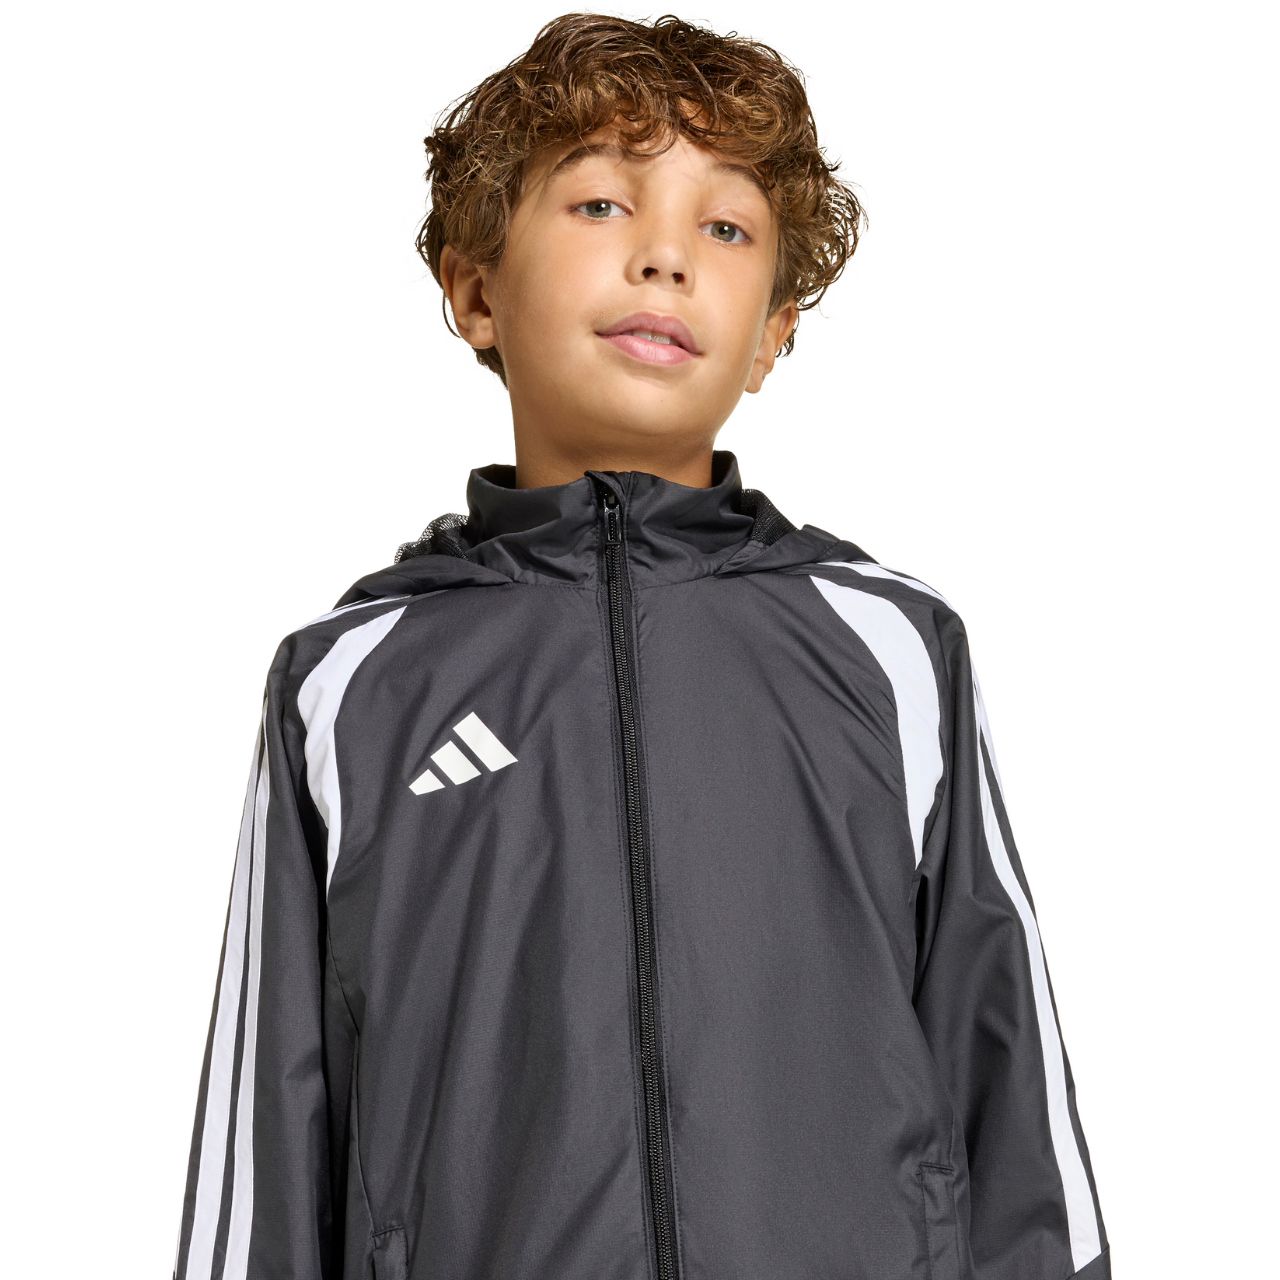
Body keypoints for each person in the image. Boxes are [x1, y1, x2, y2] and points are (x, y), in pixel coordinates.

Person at [173, 14, 1110, 1280]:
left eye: (723, 229)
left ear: (772, 331)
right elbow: (264, 1137)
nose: (664, 256)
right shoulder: (354, 680)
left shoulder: (889, 646)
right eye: (602, 204)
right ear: (475, 290)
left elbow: (1007, 1076)